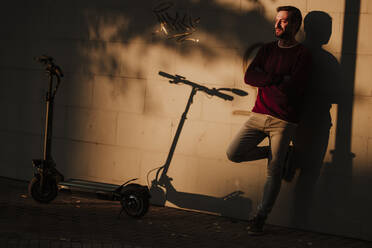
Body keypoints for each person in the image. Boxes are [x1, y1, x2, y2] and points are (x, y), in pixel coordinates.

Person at [226, 6, 312, 235]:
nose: (277, 25)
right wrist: (277, 78)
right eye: (276, 21)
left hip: (284, 121)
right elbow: (249, 76)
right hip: (258, 114)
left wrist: (268, 80)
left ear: (296, 25)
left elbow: (294, 87)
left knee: (273, 172)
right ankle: (279, 154)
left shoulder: (303, 54)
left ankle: (260, 217)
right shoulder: (266, 50)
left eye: (283, 21)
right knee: (233, 153)